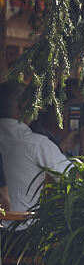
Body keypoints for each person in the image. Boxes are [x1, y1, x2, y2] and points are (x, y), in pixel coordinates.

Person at [0, 81, 70, 218]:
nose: (37, 108)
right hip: (25, 233)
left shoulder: (36, 144)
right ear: (24, 106)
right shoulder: (36, 144)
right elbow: (75, 179)